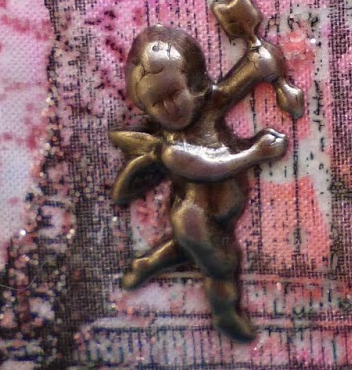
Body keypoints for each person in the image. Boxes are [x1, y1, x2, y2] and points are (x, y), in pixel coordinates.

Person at [109, 23, 303, 342]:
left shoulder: (209, 104)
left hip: (220, 213)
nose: (170, 107)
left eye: (174, 93)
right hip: (195, 216)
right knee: (223, 263)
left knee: (193, 250)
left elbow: (235, 85)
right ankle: (226, 315)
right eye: (157, 103)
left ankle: (148, 263)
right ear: (146, 109)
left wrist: (258, 62)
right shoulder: (172, 150)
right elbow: (210, 167)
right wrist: (255, 154)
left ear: (196, 83)